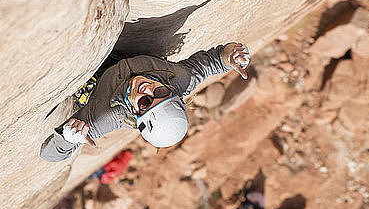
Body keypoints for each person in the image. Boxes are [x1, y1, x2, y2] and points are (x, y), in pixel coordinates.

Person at [40, 42, 250, 162]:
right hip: (132, 50)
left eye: (146, 101)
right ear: (173, 92)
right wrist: (228, 56)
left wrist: (67, 138)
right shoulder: (176, 79)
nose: (148, 88)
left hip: (97, 77)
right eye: (161, 92)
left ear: (137, 114)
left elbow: (49, 154)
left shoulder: (106, 115)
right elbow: (208, 65)